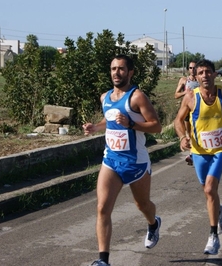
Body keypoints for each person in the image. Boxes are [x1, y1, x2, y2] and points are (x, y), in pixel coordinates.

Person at [83, 54, 162, 266]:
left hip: (136, 162)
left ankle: (153, 224)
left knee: (143, 204)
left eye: (120, 69)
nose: (116, 73)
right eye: (113, 69)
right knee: (102, 208)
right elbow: (108, 121)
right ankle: (103, 260)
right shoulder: (104, 97)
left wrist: (131, 124)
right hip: (111, 160)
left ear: (130, 72)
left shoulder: (137, 97)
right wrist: (95, 127)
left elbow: (156, 125)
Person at [174, 59, 222, 255]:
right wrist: (182, 137)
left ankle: (213, 235)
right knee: (207, 191)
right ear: (196, 76)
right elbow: (178, 120)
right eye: (200, 72)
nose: (204, 76)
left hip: (220, 149)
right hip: (199, 151)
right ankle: (218, 211)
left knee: (211, 188)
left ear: (215, 74)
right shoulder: (190, 97)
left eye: (208, 72)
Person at [174, 61, 199, 165]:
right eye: (190, 68)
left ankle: (195, 154)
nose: (192, 70)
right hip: (186, 110)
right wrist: (185, 92)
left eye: (194, 68)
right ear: (188, 69)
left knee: (196, 132)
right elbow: (175, 95)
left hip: (197, 109)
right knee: (189, 133)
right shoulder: (184, 80)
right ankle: (192, 154)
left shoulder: (200, 80)